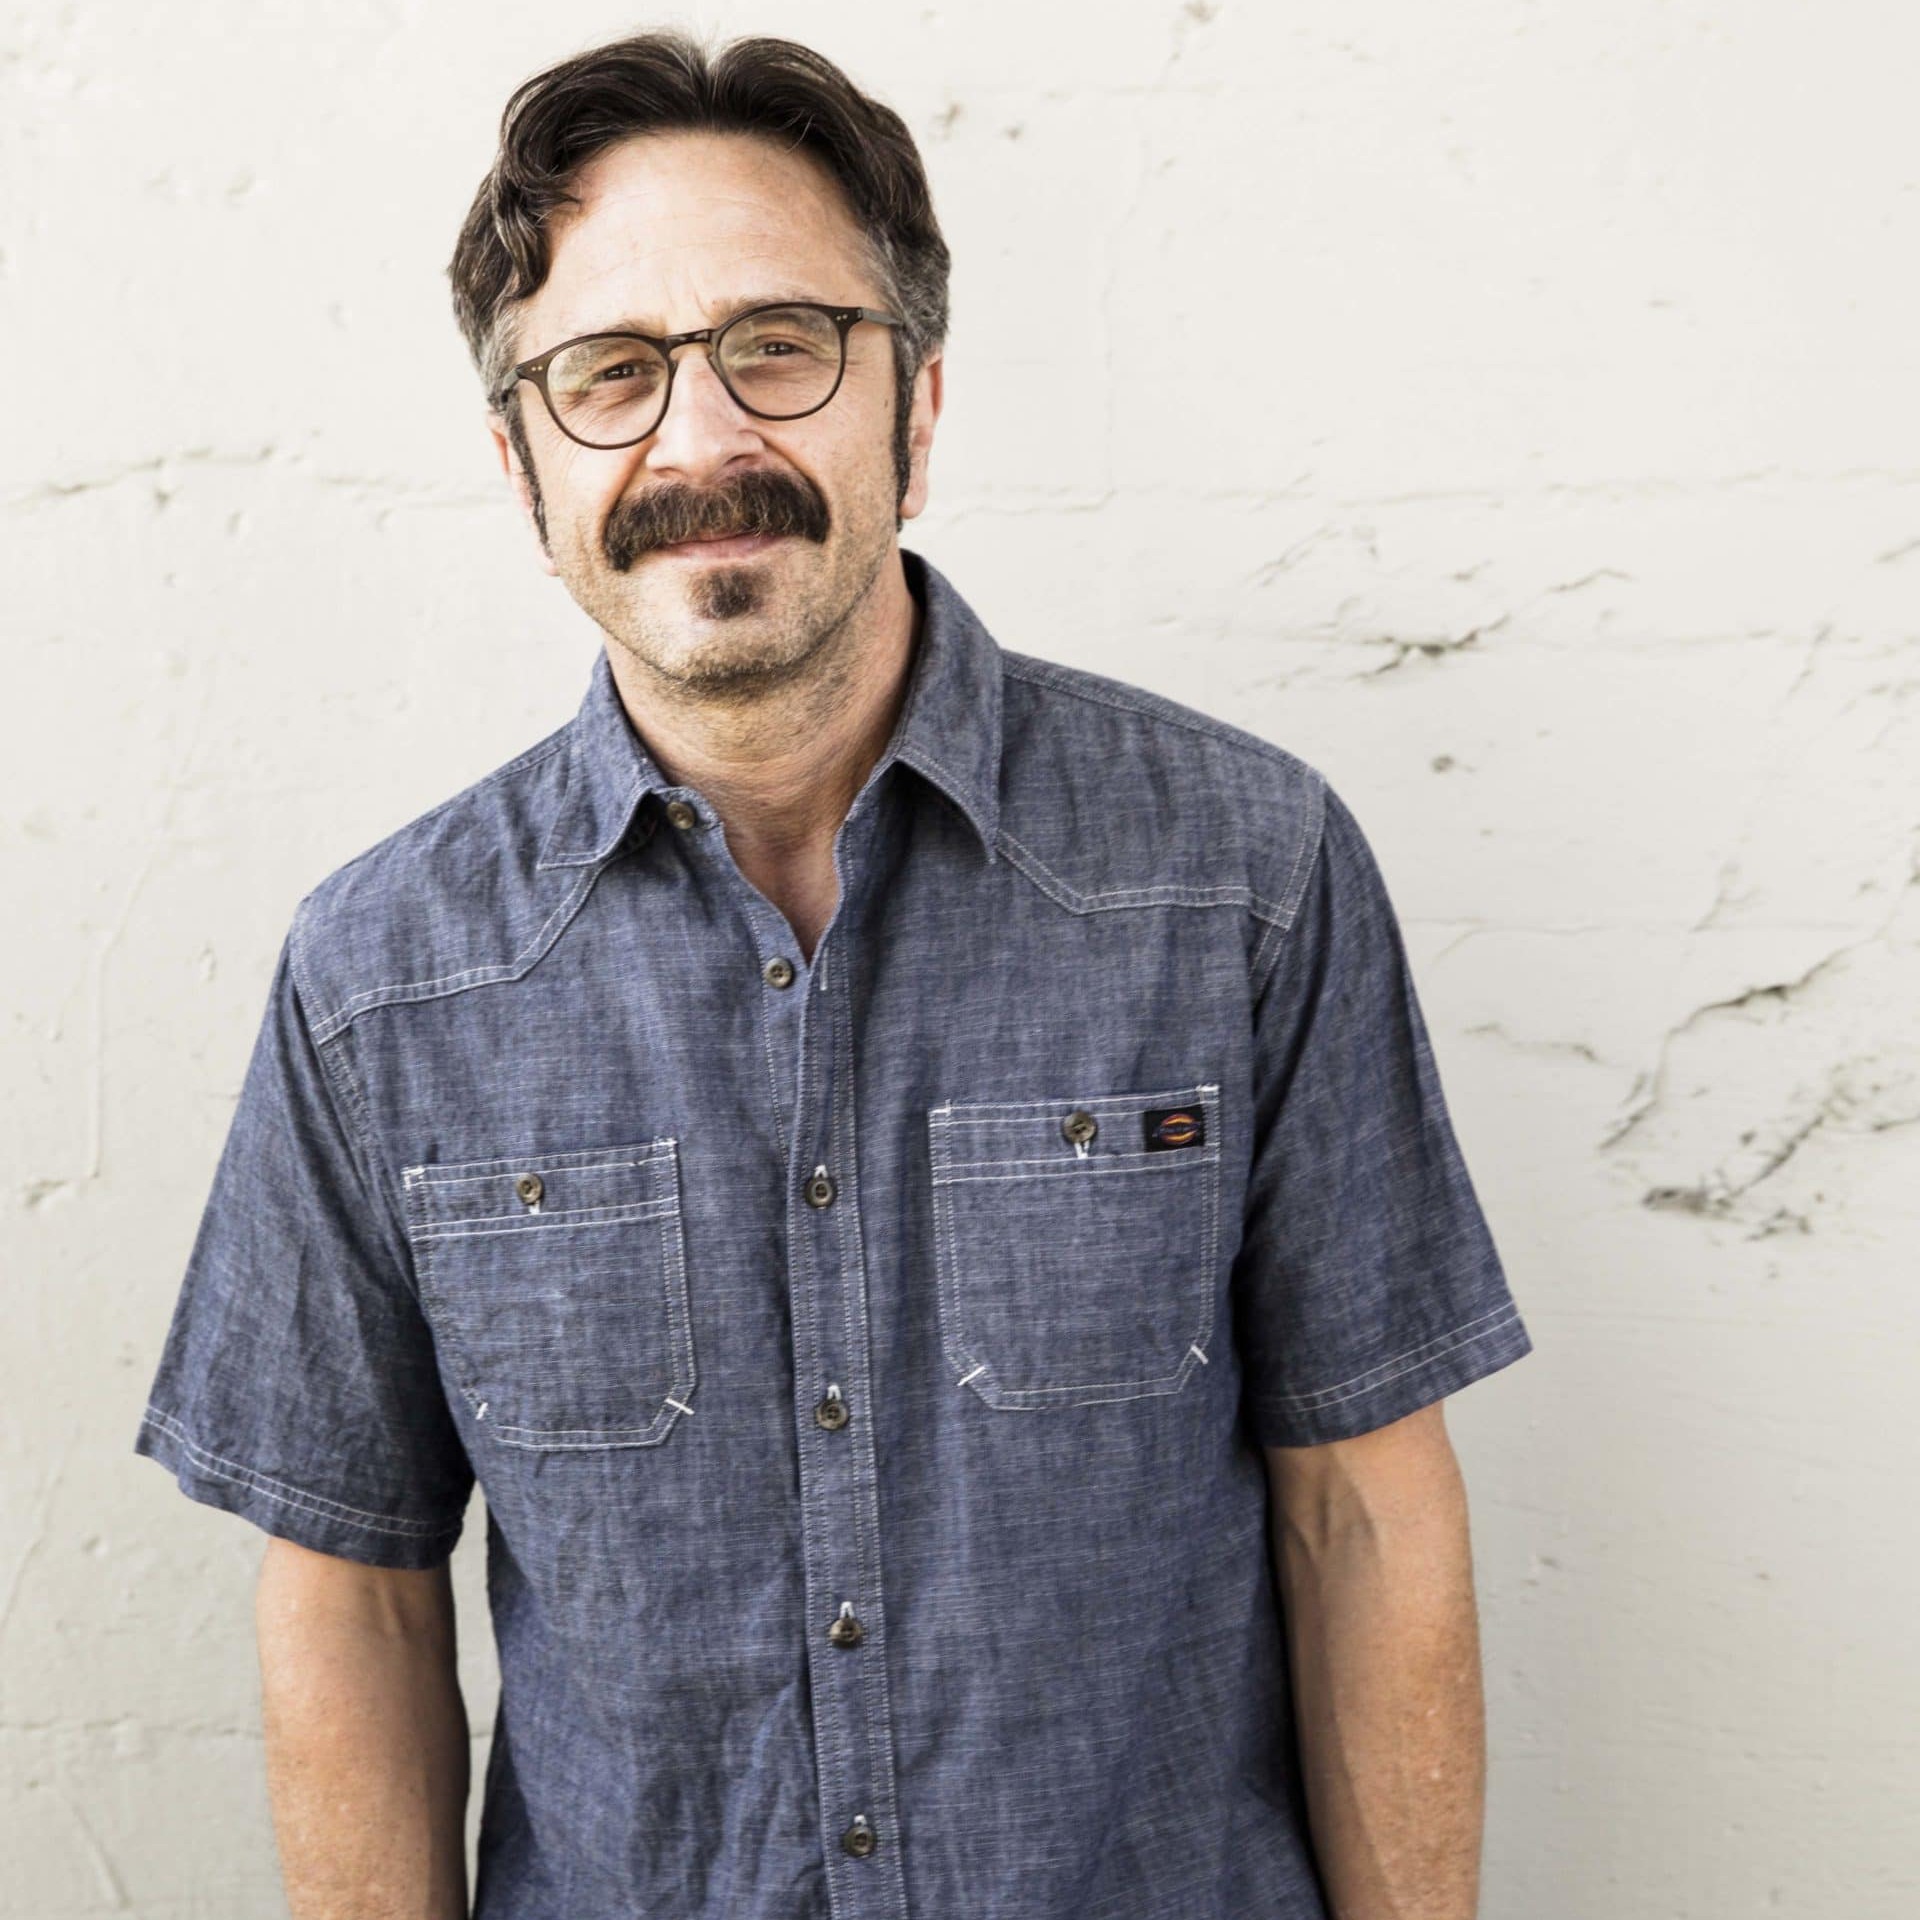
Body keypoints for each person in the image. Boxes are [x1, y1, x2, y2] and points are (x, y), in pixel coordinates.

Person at [133, 28, 1535, 1920]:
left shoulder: (1243, 881)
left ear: (916, 410)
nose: (699, 441)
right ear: (524, 471)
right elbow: (353, 1591)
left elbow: (1363, 1506)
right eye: (610, 375)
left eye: (779, 346)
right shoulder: (380, 983)